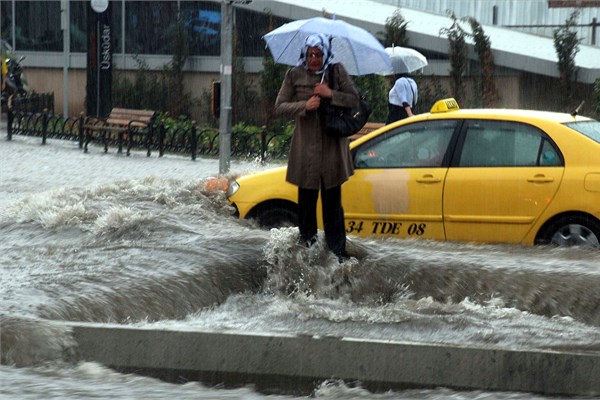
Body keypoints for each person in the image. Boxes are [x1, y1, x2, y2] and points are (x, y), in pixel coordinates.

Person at [274, 33, 359, 263]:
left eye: (319, 54)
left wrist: (330, 93)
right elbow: (280, 106)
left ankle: (337, 257)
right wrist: (306, 105)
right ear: (304, 53)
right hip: (306, 152)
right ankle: (308, 256)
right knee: (306, 208)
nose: (314, 59)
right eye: (311, 54)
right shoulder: (294, 74)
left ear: (325, 54)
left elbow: (355, 99)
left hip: (332, 150)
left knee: (333, 208)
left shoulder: (336, 71)